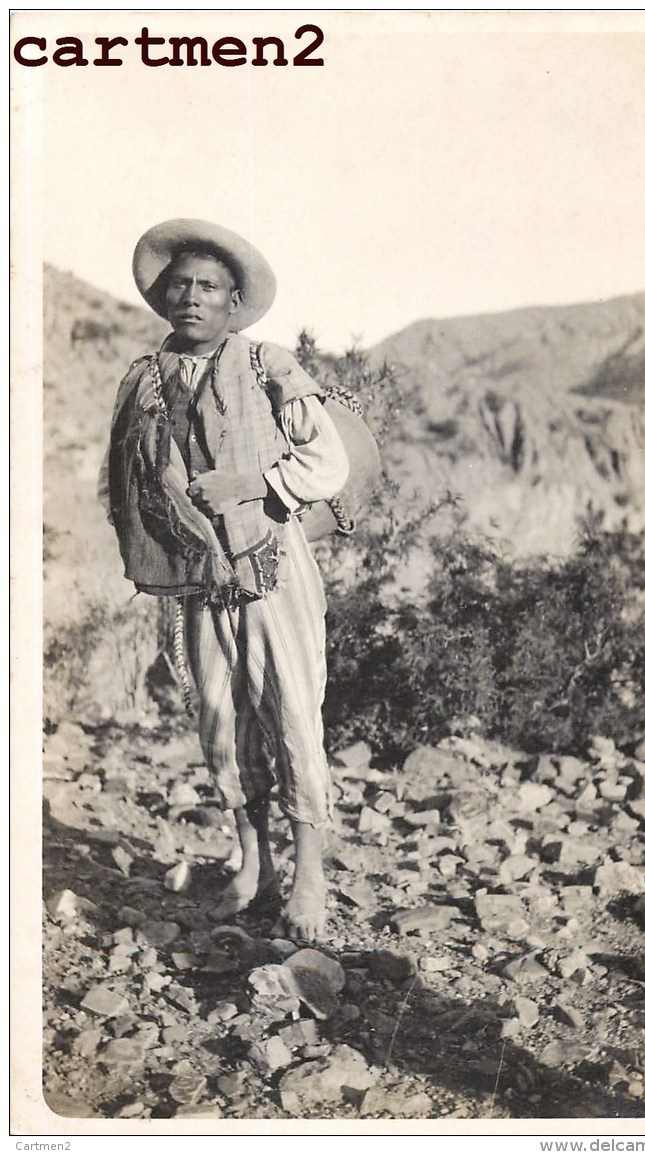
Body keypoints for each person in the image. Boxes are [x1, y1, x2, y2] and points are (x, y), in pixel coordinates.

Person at [99, 219, 350, 942]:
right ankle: (252, 864)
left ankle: (308, 877)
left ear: (233, 303)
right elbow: (124, 480)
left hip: (270, 566)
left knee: (293, 709)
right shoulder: (144, 380)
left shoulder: (268, 367)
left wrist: (254, 483)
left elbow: (324, 462)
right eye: (179, 284)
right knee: (218, 717)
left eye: (208, 286)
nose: (191, 297)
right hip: (192, 576)